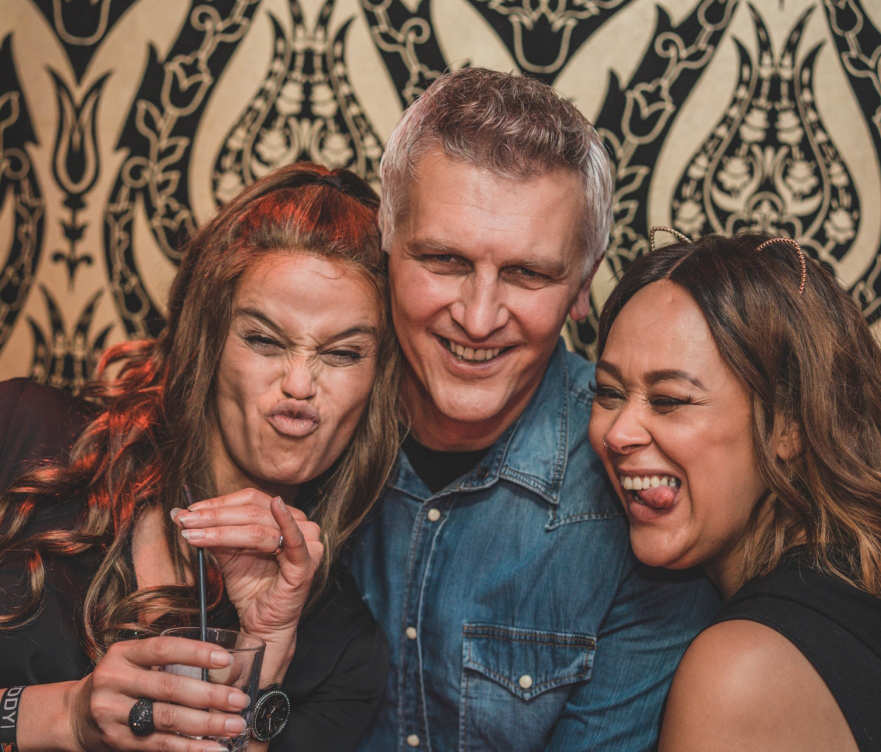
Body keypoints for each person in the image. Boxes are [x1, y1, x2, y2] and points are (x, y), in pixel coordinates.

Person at [349, 67, 720, 751]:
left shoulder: (644, 493)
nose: (478, 317)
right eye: (443, 259)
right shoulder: (305, 424)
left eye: (527, 273)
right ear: (387, 243)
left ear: (582, 286)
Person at [0, 163, 400, 752]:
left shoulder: (345, 653)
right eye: (263, 340)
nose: (299, 383)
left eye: (342, 353)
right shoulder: (21, 434)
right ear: (207, 338)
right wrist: (64, 717)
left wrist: (264, 659)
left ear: (378, 380)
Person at [588, 229, 881, 751]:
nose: (618, 433)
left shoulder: (738, 671)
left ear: (788, 423)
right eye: (609, 392)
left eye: (669, 400)